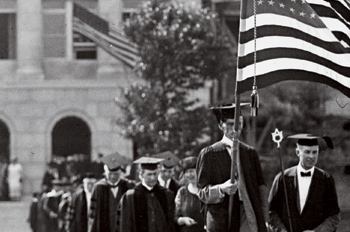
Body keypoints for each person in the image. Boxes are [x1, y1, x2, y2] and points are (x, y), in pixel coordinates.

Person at [196, 103, 270, 232]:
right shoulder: (209, 153)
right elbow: (202, 193)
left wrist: (265, 218)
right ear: (220, 125)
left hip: (247, 211)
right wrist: (221, 189)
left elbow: (261, 187)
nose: (236, 129)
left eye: (239, 124)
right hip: (222, 216)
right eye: (230, 124)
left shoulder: (249, 153)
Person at [268, 134, 341, 232]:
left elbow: (334, 216)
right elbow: (271, 212)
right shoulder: (283, 178)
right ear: (298, 152)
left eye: (315, 152)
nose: (311, 156)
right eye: (307, 152)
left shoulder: (326, 179)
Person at [119, 157, 176, 232]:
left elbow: (171, 224)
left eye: (155, 174)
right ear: (141, 174)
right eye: (149, 174)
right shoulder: (131, 196)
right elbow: (125, 225)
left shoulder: (167, 194)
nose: (153, 178)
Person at [89, 152, 135, 232]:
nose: (113, 177)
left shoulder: (128, 186)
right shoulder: (99, 187)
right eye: (110, 174)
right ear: (105, 173)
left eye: (116, 174)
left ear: (121, 173)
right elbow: (93, 214)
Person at [175, 156, 205, 232]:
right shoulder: (182, 192)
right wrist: (183, 220)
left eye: (191, 171)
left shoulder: (207, 190)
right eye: (186, 172)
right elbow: (175, 216)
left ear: (199, 171)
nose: (189, 175)